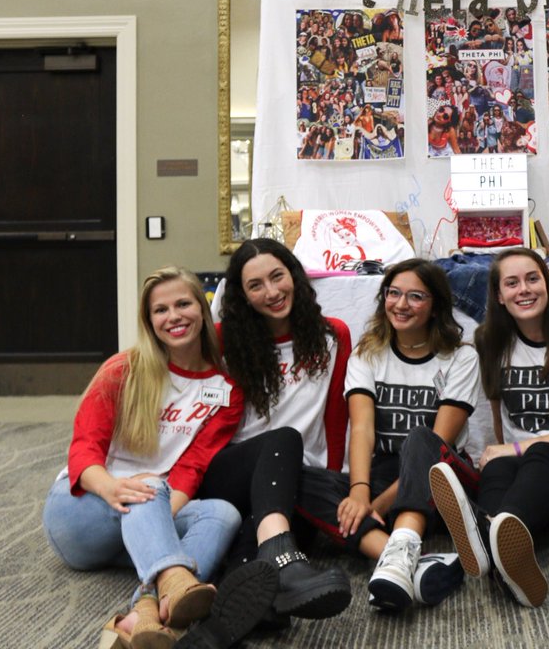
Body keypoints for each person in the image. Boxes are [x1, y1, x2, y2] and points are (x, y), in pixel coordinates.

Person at [43, 267, 248, 647]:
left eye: (184, 304)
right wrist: (116, 489)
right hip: (81, 509)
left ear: (203, 310)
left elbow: (193, 466)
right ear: (149, 321)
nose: (174, 317)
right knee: (149, 486)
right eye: (160, 310)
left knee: (223, 513)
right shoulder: (124, 369)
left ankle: (145, 614)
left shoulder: (226, 389)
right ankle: (173, 580)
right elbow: (84, 448)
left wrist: (152, 516)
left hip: (146, 514)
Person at [429, 248, 549, 608]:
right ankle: (506, 554)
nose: (524, 289)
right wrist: (507, 453)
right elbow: (501, 422)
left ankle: (487, 537)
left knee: (537, 453)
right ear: (499, 296)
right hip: (537, 485)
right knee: (498, 465)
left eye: (533, 279)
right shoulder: (491, 344)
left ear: (548, 285)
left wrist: (519, 448)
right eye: (512, 283)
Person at [199, 239, 353, 626]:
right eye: (255, 286)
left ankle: (253, 601)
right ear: (242, 296)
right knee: (284, 437)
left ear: (294, 276)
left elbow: (336, 418)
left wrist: (331, 481)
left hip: (293, 479)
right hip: (235, 470)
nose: (271, 292)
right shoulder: (222, 340)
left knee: (263, 528)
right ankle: (284, 561)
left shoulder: (332, 336)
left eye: (277, 277)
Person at [342, 259, 482, 612]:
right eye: (394, 293)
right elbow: (361, 428)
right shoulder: (367, 353)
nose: (401, 305)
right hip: (385, 469)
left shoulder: (461, 357)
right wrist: (359, 493)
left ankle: (397, 546)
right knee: (304, 481)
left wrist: (374, 507)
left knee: (420, 438)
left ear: (436, 306)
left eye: (416, 296)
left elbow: (440, 442)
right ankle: (410, 564)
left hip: (440, 473)